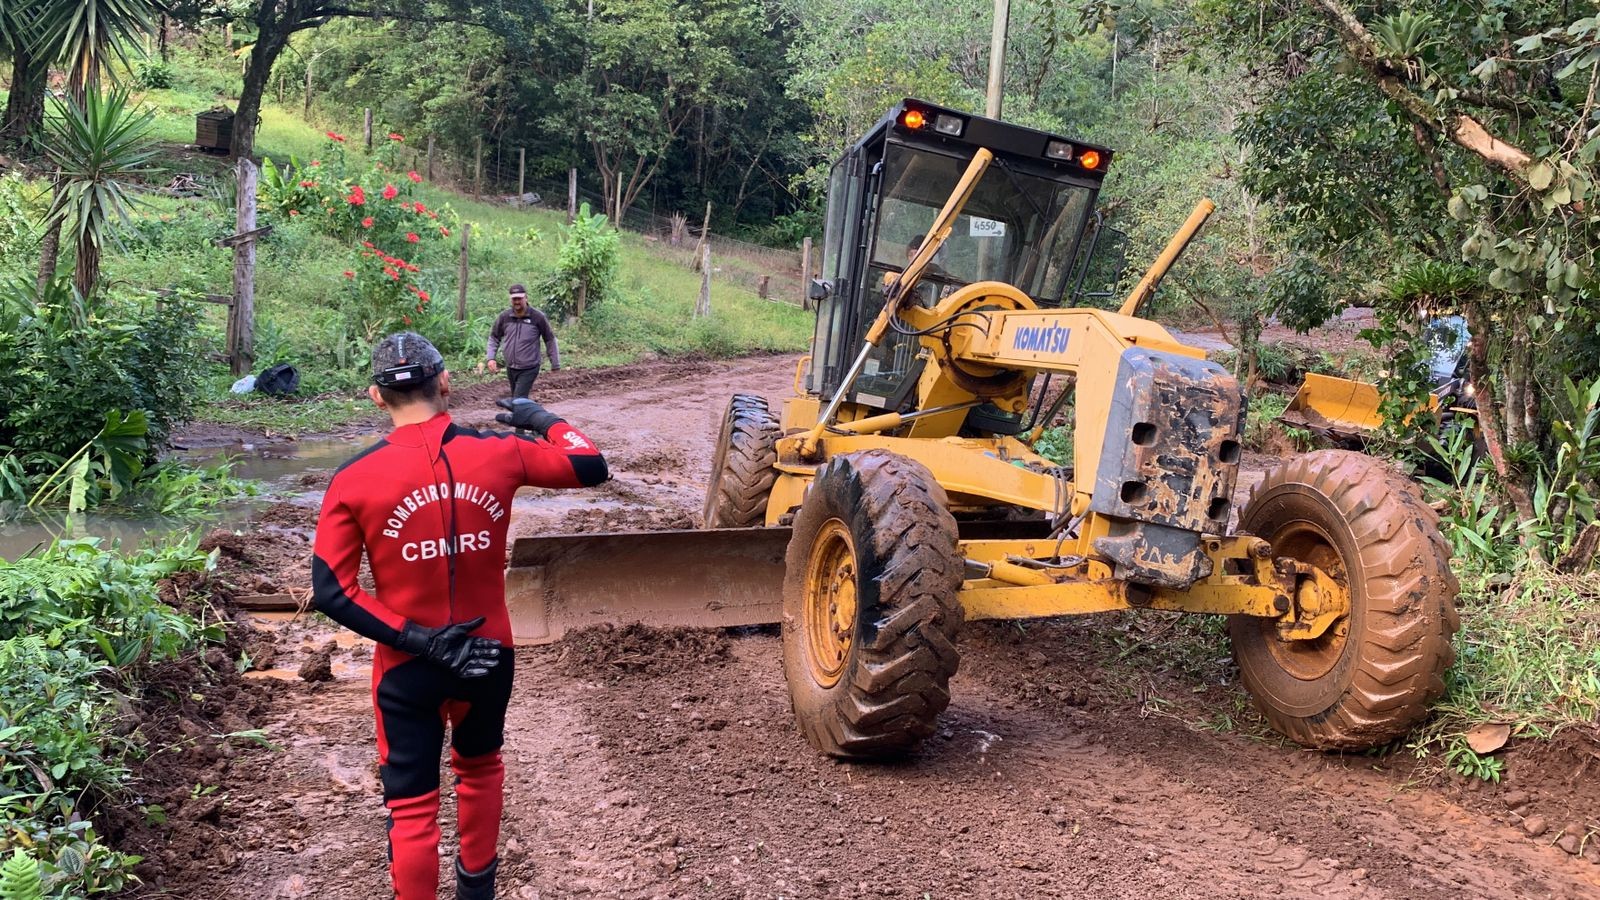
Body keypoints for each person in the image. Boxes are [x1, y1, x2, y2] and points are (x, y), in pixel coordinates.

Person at [311, 332, 607, 900]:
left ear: (377, 396)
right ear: (445, 383)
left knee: (412, 807)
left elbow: (332, 592)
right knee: (480, 769)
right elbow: (591, 465)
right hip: (489, 654)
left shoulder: (352, 478)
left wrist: (421, 640)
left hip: (407, 666)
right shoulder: (501, 451)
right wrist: (543, 419)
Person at [483, 284, 560, 399]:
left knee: (519, 398)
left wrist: (555, 364)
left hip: (529, 367)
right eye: (514, 299)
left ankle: (520, 410)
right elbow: (494, 337)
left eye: (519, 298)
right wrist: (491, 358)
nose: (517, 302)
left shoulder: (537, 317)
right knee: (518, 399)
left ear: (526, 298)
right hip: (511, 367)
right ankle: (525, 410)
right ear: (510, 299)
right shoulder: (504, 317)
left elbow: (550, 339)